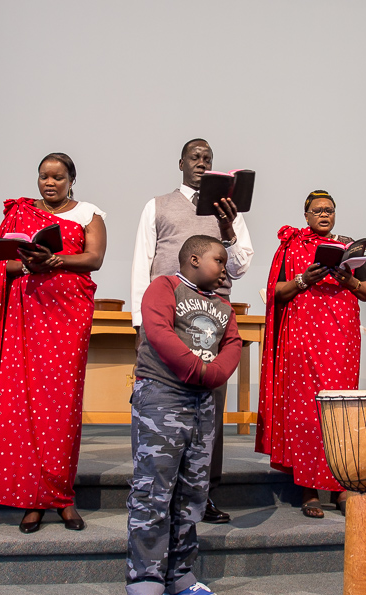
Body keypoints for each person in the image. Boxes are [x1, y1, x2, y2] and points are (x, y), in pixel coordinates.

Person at [0, 153, 106, 533]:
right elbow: (3, 266)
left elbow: (94, 258)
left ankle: (61, 497)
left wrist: (55, 260)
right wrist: (32, 264)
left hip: (67, 315)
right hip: (27, 316)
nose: (50, 183)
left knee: (59, 409)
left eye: (58, 177)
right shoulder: (20, 215)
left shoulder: (89, 213)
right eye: (44, 176)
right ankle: (31, 500)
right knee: (22, 407)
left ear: (72, 179)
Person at [130, 138, 254, 524]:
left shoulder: (227, 211)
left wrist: (228, 229)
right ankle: (158, 492)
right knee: (163, 404)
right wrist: (139, 322)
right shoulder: (157, 205)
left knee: (210, 409)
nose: (201, 162)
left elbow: (240, 267)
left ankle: (205, 494)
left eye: (208, 158)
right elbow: (142, 263)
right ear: (181, 162)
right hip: (167, 316)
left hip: (210, 320)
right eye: (195, 157)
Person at [126, 235, 241, 595]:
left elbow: (233, 343)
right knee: (154, 491)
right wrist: (198, 371)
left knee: (192, 491)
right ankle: (144, 582)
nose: (224, 267)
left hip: (202, 402)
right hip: (163, 396)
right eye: (218, 260)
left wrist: (216, 374)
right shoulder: (164, 287)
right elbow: (159, 332)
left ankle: (180, 574)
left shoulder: (222, 304)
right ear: (193, 258)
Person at [255, 190, 366, 518]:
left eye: (330, 210)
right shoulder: (291, 245)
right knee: (307, 411)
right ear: (306, 215)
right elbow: (276, 291)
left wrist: (348, 279)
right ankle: (308, 489)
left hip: (342, 337)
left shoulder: (350, 246)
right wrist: (302, 279)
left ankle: (338, 488)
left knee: (339, 409)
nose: (325, 215)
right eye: (318, 210)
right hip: (304, 337)